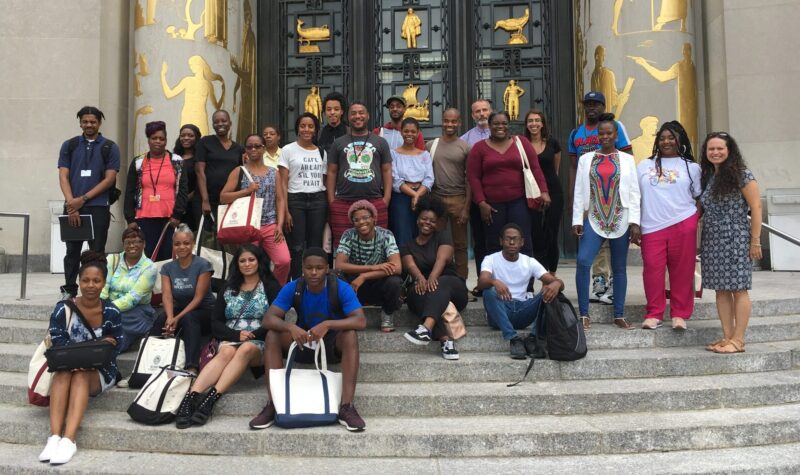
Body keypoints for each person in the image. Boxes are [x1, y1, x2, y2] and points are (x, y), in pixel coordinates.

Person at [250, 247, 367, 432]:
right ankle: (273, 404)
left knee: (350, 335)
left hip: (330, 345)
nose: (314, 272)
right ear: (302, 269)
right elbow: (268, 319)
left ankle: (347, 406)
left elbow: (360, 320)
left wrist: (328, 324)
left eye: (319, 268)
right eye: (309, 268)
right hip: (303, 342)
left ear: (327, 268)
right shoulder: (294, 287)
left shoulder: (340, 287)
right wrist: (290, 326)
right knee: (272, 334)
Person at [174, 244, 280, 429]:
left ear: (259, 261)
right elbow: (215, 322)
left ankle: (210, 399)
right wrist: (235, 334)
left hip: (259, 341)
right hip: (230, 337)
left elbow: (278, 318)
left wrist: (252, 335)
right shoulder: (228, 287)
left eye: (251, 260)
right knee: (226, 353)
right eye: (242, 261)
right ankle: (191, 398)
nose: (247, 264)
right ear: (237, 264)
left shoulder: (270, 285)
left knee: (246, 348)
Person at [39, 251, 123, 465]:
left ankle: (69, 439)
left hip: (101, 371)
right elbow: (57, 341)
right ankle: (55, 436)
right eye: (85, 280)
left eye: (96, 281)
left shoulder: (111, 311)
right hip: (67, 366)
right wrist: (93, 349)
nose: (91, 285)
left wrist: (79, 355)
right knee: (64, 372)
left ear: (104, 283)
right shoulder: (63, 309)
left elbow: (115, 347)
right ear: (79, 281)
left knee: (81, 376)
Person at [572, 113, 640, 331]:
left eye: (609, 133)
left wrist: (635, 222)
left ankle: (618, 314)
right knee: (583, 261)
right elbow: (580, 191)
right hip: (594, 217)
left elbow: (634, 192)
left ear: (616, 134)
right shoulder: (586, 159)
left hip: (620, 218)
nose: (605, 137)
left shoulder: (627, 160)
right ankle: (583, 314)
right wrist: (576, 218)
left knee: (619, 268)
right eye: (601, 133)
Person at [699, 132, 762, 354]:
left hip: (735, 236)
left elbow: (756, 207)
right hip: (713, 239)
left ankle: (739, 340)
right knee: (721, 290)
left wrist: (755, 240)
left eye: (720, 148)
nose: (715, 152)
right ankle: (727, 336)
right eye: (711, 149)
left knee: (739, 289)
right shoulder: (710, 176)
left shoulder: (741, 175)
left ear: (729, 150)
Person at [568, 92, 633, 305]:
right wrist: (574, 197)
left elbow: (628, 157)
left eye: (596, 104)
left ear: (603, 106)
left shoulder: (616, 127)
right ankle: (599, 279)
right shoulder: (576, 133)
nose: (592, 108)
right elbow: (573, 167)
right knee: (594, 242)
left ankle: (613, 283)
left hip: (614, 195)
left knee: (614, 241)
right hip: (590, 194)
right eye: (588, 104)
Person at [635, 121, 701, 330]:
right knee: (652, 271)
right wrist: (635, 225)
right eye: (662, 138)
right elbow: (635, 196)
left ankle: (680, 314)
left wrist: (692, 220)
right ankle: (654, 313)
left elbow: (699, 197)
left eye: (671, 137)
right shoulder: (644, 166)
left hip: (683, 224)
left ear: (680, 139)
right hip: (651, 226)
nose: (666, 141)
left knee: (682, 271)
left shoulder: (692, 167)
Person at [58, 106, 121, 299]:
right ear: (80, 123)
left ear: (99, 123)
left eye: (93, 121)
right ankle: (69, 289)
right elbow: (63, 175)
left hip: (98, 207)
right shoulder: (69, 145)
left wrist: (82, 199)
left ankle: (97, 291)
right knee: (72, 251)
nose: (89, 125)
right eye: (85, 121)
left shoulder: (109, 147)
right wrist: (72, 204)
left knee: (97, 252)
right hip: (73, 206)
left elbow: (109, 179)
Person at [467, 111, 549, 258]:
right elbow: (474, 177)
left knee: (523, 241)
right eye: (496, 124)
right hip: (492, 206)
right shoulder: (479, 148)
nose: (500, 127)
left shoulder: (522, 142)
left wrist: (544, 191)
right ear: (489, 126)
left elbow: (535, 168)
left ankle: (525, 280)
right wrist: (481, 203)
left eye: (504, 123)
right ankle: (494, 280)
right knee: (493, 244)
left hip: (519, 202)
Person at [478, 224, 564, 359]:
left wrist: (557, 284)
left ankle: (533, 339)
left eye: (515, 239)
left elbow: (554, 281)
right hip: (501, 311)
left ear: (522, 242)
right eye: (508, 239)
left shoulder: (529, 261)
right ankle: (513, 339)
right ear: (501, 241)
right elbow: (481, 282)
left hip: (523, 310)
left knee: (553, 292)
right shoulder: (491, 259)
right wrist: (493, 282)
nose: (512, 242)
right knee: (488, 291)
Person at [401, 197, 467, 360]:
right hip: (425, 289)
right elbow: (411, 266)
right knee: (414, 296)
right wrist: (421, 279)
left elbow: (442, 260)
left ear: (437, 223)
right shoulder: (407, 246)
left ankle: (426, 328)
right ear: (417, 220)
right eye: (424, 219)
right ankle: (446, 341)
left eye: (432, 220)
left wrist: (430, 279)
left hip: (452, 287)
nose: (427, 223)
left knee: (439, 283)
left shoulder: (443, 237)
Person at [220, 134, 291, 285]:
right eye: (249, 146)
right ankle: (251, 293)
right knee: (249, 265)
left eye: (257, 146)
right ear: (245, 150)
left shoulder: (274, 172)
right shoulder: (239, 171)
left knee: (284, 261)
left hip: (270, 224)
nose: (253, 149)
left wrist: (279, 225)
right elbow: (223, 197)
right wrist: (246, 191)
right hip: (248, 226)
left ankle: (275, 291)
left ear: (264, 148)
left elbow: (280, 199)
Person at [327, 102, 393, 247]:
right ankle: (346, 271)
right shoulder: (338, 143)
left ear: (368, 116)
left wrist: (386, 199)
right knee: (343, 245)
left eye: (361, 112)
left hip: (374, 201)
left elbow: (387, 170)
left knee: (377, 245)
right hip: (343, 202)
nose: (358, 116)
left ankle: (374, 270)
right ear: (348, 117)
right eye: (353, 113)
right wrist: (332, 201)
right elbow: (331, 172)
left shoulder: (380, 142)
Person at [123, 121, 189, 262]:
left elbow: (183, 190)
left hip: (170, 218)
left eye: (162, 139)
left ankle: (165, 284)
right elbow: (129, 190)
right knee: (148, 256)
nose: (158, 142)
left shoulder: (177, 161)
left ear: (166, 140)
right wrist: (129, 218)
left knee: (167, 256)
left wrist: (177, 214)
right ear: (148, 140)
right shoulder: (138, 162)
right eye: (154, 138)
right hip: (144, 217)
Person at [335, 200, 403, 332]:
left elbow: (397, 267)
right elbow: (339, 265)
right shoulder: (348, 235)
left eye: (365, 217)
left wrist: (365, 276)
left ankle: (387, 314)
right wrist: (372, 267)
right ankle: (348, 314)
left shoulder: (386, 235)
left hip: (378, 285)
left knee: (394, 281)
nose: (361, 222)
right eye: (356, 220)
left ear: (374, 219)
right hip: (355, 288)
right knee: (335, 276)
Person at [155, 224, 215, 372]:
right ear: (173, 246)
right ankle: (146, 363)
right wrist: (170, 317)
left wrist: (177, 318)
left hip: (205, 312)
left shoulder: (203, 265)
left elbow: (198, 298)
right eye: (177, 244)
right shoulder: (167, 268)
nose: (182, 247)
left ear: (193, 244)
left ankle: (192, 366)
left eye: (186, 243)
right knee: (161, 319)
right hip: (182, 310)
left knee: (189, 318)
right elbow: (167, 295)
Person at [279, 113, 328, 279]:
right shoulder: (288, 150)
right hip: (295, 200)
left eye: (310, 126)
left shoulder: (322, 152)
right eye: (303, 126)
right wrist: (285, 211)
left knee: (315, 245)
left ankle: (315, 282)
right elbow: (283, 183)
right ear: (297, 129)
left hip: (318, 201)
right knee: (297, 246)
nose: (306, 129)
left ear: (315, 130)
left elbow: (325, 181)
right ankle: (297, 283)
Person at [428, 108, 471, 280]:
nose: (450, 124)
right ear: (442, 121)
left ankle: (461, 282)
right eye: (447, 120)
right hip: (437, 199)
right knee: (436, 242)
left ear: (459, 123)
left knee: (460, 245)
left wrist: (466, 208)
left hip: (458, 199)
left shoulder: (466, 147)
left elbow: (470, 179)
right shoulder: (431, 145)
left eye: (454, 121)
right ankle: (438, 279)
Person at [102, 228, 157, 352]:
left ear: (144, 244)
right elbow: (104, 284)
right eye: (128, 242)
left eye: (137, 242)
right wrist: (99, 304)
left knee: (116, 324)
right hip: (108, 309)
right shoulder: (112, 259)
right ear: (123, 244)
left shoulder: (149, 267)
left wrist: (105, 310)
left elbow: (132, 299)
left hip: (136, 312)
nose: (132, 245)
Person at [524, 109, 563, 272]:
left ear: (542, 124)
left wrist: (547, 188)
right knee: (536, 235)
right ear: (526, 125)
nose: (534, 124)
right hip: (531, 193)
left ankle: (552, 273)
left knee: (551, 234)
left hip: (553, 192)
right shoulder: (521, 144)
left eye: (537, 120)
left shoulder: (553, 143)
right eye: (530, 121)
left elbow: (556, 169)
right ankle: (540, 273)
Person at [461, 99, 492, 295]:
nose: (482, 114)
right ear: (473, 115)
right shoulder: (465, 140)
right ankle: (483, 282)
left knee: (500, 240)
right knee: (480, 242)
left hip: (498, 195)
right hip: (475, 197)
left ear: (491, 111)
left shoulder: (503, 134)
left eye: (485, 110)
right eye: (477, 111)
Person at [390, 117, 434, 247]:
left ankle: (421, 264)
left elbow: (429, 178)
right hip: (401, 198)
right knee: (403, 232)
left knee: (422, 231)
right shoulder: (393, 154)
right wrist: (414, 195)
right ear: (401, 132)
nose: (410, 134)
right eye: (406, 131)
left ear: (418, 132)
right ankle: (404, 266)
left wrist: (418, 194)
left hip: (422, 196)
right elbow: (395, 179)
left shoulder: (425, 155)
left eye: (413, 131)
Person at [195, 110, 244, 226]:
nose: (220, 124)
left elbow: (240, 174)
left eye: (224, 121)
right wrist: (205, 200)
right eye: (216, 122)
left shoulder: (239, 148)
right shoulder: (205, 142)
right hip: (206, 199)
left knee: (226, 238)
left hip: (228, 201)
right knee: (206, 239)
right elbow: (199, 171)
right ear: (213, 125)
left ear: (230, 123)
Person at [173, 124, 202, 231]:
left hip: (194, 206)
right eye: (183, 135)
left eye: (190, 135)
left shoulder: (200, 159)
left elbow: (201, 183)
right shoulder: (174, 158)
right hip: (175, 207)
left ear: (197, 138)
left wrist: (185, 199)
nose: (186, 138)